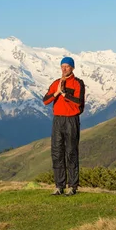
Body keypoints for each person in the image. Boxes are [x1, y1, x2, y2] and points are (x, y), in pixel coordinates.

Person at [43, 56, 85, 196]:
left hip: (71, 120)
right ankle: (59, 186)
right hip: (57, 121)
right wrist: (56, 92)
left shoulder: (78, 83)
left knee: (71, 152)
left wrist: (64, 94)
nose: (64, 68)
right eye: (62, 66)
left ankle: (72, 186)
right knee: (57, 152)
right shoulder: (56, 83)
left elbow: (79, 102)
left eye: (67, 66)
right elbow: (45, 101)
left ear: (72, 67)